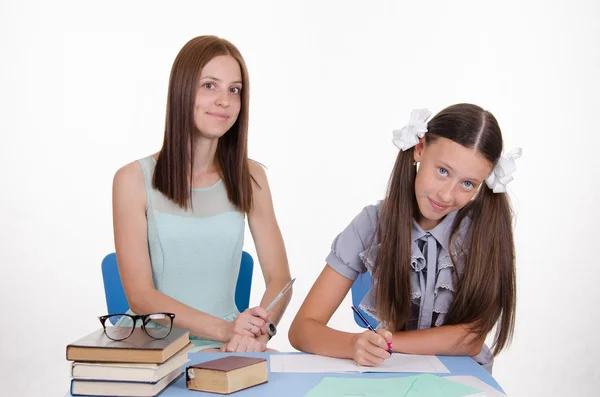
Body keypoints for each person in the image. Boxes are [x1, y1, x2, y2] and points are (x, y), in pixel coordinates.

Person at [289, 104, 520, 373]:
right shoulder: (372, 222)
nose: (447, 195)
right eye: (443, 171)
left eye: (467, 184)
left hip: (461, 379)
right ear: (419, 149)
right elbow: (303, 328)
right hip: (391, 374)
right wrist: (354, 344)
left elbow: (470, 339)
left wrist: (389, 343)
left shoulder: (484, 232)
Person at [112, 35, 292, 352]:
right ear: (182, 91)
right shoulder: (132, 180)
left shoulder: (251, 177)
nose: (224, 100)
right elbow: (141, 297)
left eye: (234, 90)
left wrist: (261, 331)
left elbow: (280, 280)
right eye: (209, 85)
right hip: (155, 342)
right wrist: (226, 330)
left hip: (227, 342)